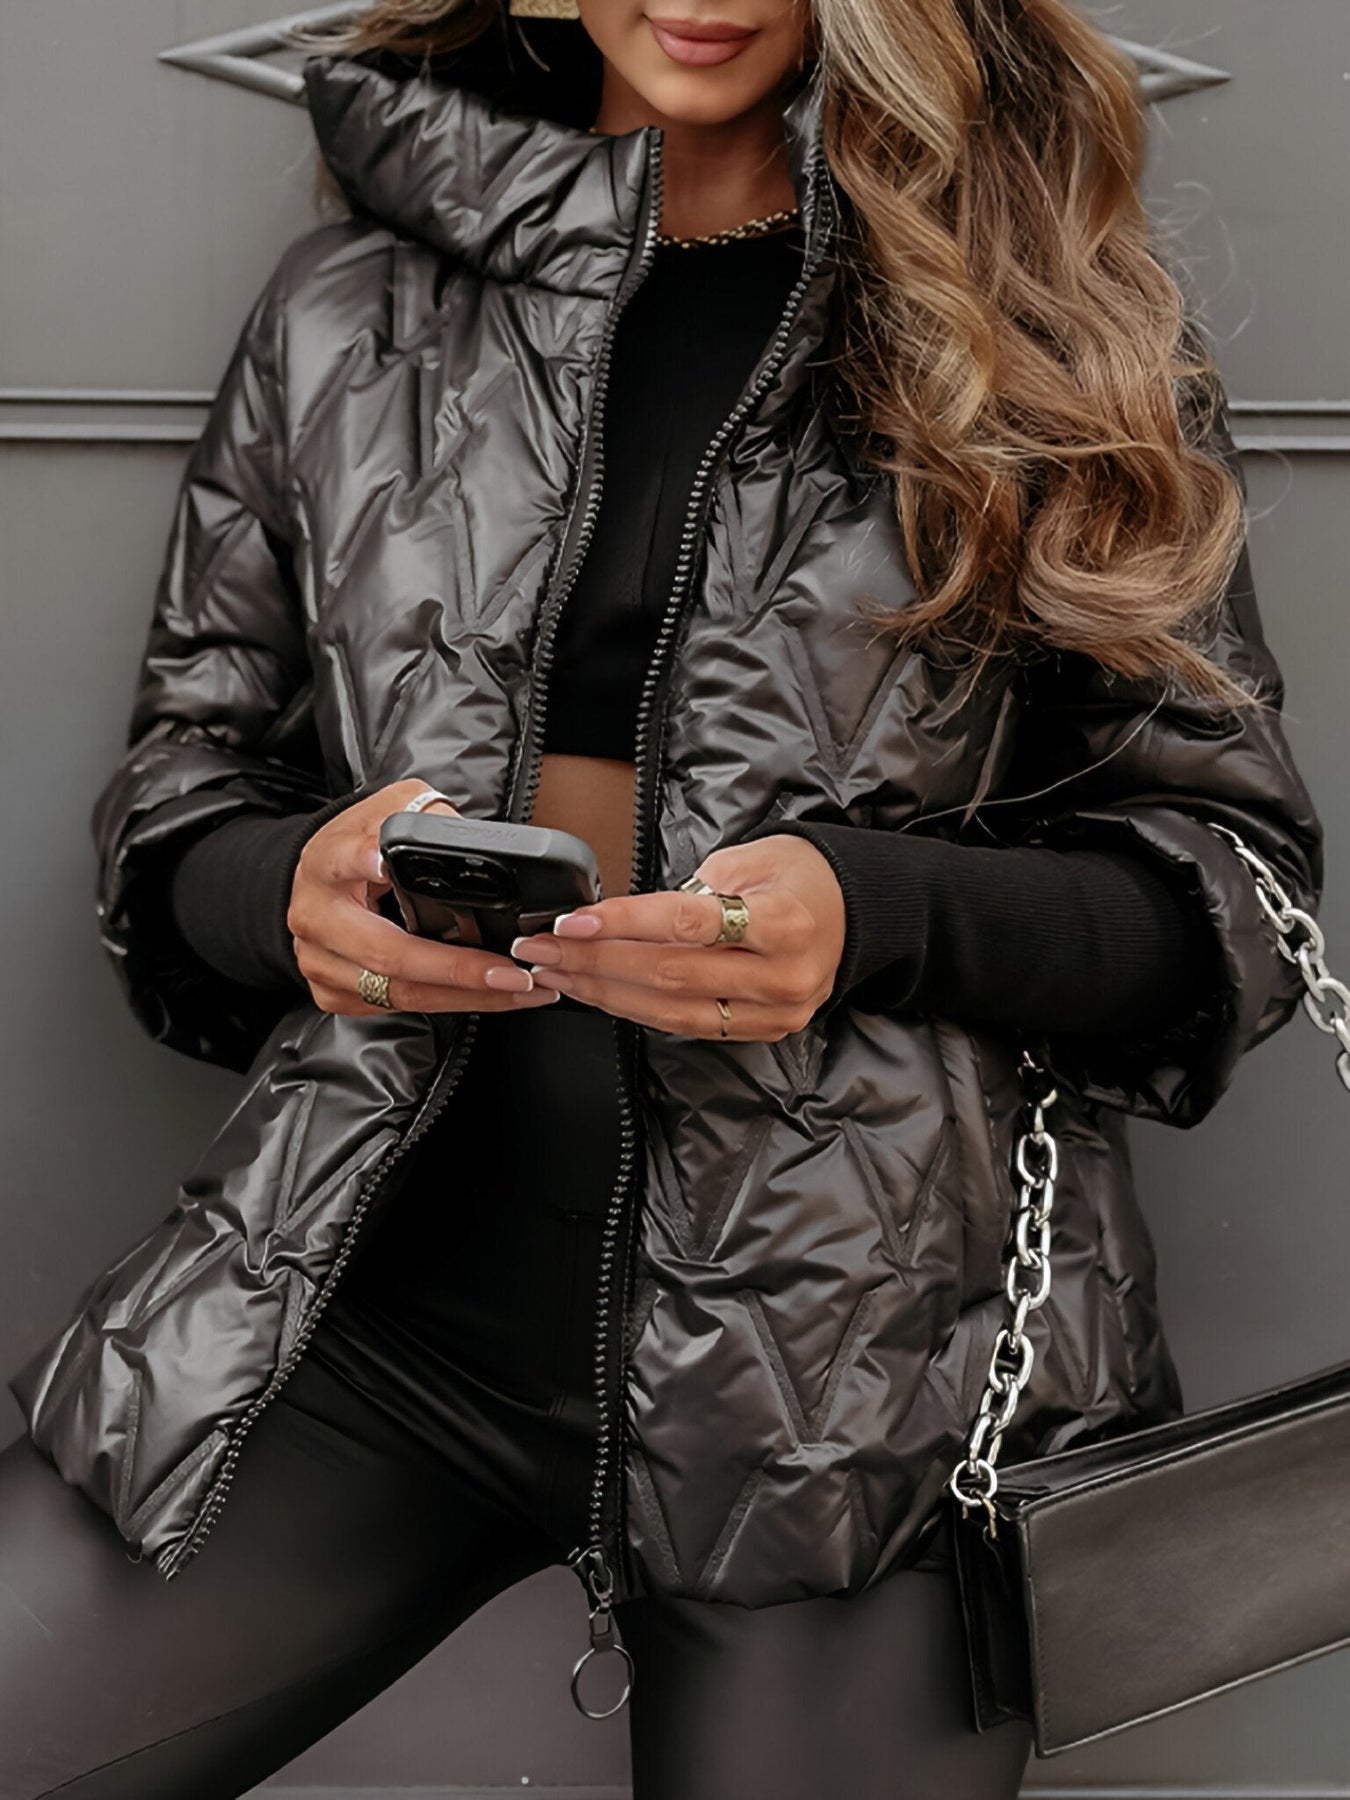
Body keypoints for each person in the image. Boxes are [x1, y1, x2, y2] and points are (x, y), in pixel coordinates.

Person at [0, 0, 1323, 1795]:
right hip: (362, 1308)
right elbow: (185, 793)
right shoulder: (346, 308)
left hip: (857, 1391)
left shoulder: (1041, 327)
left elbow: (1229, 883)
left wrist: (866, 916)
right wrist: (284, 892)